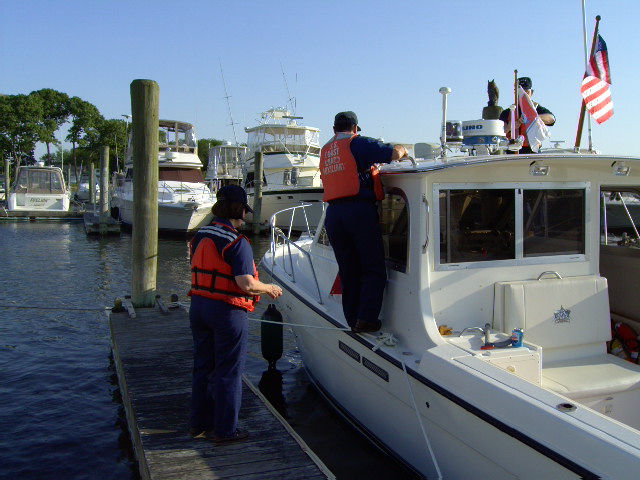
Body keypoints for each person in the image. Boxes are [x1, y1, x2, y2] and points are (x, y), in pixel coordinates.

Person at [188, 184, 282, 444]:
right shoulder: (236, 242)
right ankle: (226, 431)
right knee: (228, 372)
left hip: (199, 307)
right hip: (227, 311)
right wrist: (269, 288)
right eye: (244, 211)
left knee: (203, 368)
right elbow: (247, 284)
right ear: (239, 209)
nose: (245, 218)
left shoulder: (199, 235)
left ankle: (198, 425)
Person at [320, 111, 408, 333]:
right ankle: (367, 319)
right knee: (373, 268)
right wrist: (404, 149)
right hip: (358, 211)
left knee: (349, 269)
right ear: (355, 128)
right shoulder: (358, 143)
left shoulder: (326, 150)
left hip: (333, 215)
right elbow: (394, 154)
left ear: (333, 130)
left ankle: (352, 320)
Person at [499, 77, 556, 153]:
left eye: (526, 92)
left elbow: (552, 119)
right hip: (511, 152)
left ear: (531, 92)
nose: (523, 95)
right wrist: (510, 126)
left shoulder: (536, 109)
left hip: (532, 151)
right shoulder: (507, 112)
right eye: (520, 92)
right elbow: (500, 131)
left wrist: (533, 117)